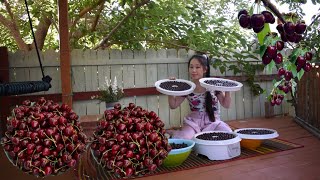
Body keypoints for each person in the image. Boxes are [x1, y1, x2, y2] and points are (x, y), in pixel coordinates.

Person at [167, 54, 232, 140]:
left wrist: (228, 88)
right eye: (191, 67)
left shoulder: (214, 85)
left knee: (229, 135)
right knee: (184, 138)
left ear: (205, 69)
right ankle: (176, 132)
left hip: (213, 122)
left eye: (197, 67)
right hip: (193, 123)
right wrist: (169, 88)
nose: (194, 70)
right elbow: (173, 105)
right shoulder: (188, 87)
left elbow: (226, 104)